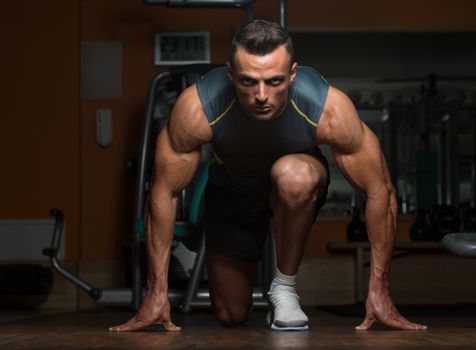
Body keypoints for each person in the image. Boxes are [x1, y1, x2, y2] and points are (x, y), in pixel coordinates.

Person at [109, 19, 427, 332]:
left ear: (292, 74)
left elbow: (380, 193)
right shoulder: (198, 108)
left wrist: (380, 290)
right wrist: (156, 291)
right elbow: (164, 193)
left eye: (274, 81)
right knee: (230, 314)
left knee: (293, 175)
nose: (262, 95)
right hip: (233, 189)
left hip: (296, 180)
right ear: (231, 74)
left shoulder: (327, 108)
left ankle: (284, 289)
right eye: (248, 81)